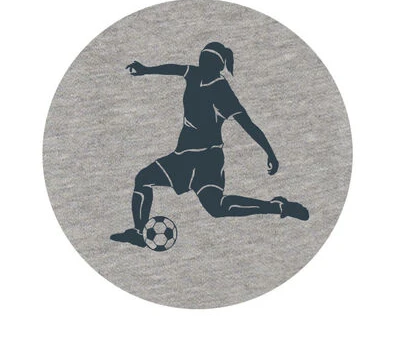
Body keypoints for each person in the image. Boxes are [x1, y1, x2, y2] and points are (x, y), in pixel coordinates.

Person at [112, 42, 308, 246]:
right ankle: (139, 232)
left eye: (206, 61)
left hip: (207, 160)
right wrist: (146, 70)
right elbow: (174, 69)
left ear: (216, 66)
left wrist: (270, 152)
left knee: (217, 208)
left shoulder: (222, 91)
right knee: (143, 179)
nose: (200, 63)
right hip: (182, 157)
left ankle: (277, 207)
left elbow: (248, 124)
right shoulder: (194, 74)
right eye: (201, 59)